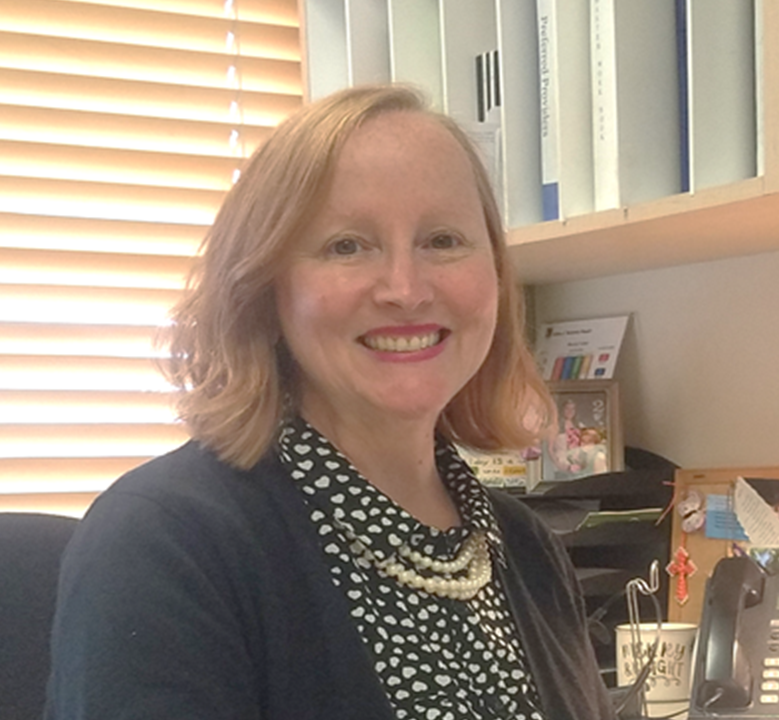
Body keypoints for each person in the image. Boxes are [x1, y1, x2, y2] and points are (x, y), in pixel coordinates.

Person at [45, 85, 615, 720]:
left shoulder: (525, 548)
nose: (405, 289)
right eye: (347, 245)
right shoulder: (165, 541)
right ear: (265, 287)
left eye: (443, 240)